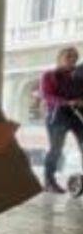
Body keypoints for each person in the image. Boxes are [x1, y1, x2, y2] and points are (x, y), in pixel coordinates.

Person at [41, 46, 83, 194]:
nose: (71, 60)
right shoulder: (49, 75)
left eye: (74, 58)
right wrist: (67, 102)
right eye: (68, 57)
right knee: (56, 150)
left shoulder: (77, 77)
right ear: (59, 59)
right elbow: (47, 96)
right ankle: (49, 181)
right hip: (57, 116)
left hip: (76, 116)